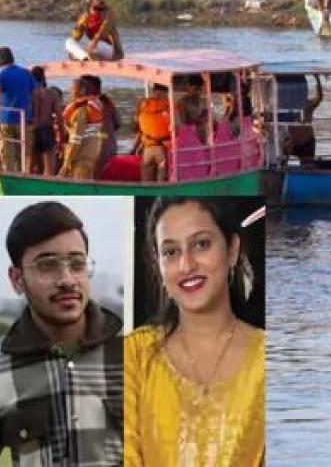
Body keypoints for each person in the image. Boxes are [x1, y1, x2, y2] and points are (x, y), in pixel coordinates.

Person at [125, 199, 264, 467]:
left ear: (232, 249)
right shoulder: (133, 357)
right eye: (171, 252)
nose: (186, 265)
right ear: (158, 264)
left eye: (201, 244)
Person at [0, 202, 124, 465]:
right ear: (17, 280)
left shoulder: (135, 356)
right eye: (48, 266)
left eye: (77, 264)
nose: (67, 280)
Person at [0, 47, 36, 173]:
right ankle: (22, 174)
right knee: (22, 151)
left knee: (7, 151)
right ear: (12, 58)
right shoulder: (26, 73)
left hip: (6, 118)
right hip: (24, 118)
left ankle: (8, 174)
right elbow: (33, 93)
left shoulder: (1, 75)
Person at [56, 76, 105, 179]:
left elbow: (75, 140)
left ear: (77, 92)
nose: (71, 93)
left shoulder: (81, 111)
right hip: (91, 154)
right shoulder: (94, 106)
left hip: (81, 157)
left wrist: (65, 165)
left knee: (79, 190)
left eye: (73, 90)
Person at [28, 65, 61, 176]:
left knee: (30, 167)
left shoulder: (28, 94)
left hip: (31, 129)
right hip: (47, 130)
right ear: (43, 78)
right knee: (49, 169)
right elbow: (59, 117)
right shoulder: (52, 94)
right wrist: (61, 135)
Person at [135, 83, 172, 182]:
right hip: (162, 148)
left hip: (147, 148)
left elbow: (137, 126)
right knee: (162, 178)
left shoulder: (143, 105)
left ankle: (146, 196)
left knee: (146, 179)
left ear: (153, 91)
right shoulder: (168, 107)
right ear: (165, 92)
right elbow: (176, 127)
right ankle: (161, 196)